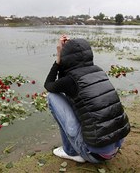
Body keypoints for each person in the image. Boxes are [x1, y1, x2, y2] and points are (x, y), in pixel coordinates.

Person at [44, 35, 130, 163]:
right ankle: (91, 148)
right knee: (84, 104)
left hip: (94, 155)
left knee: (52, 97)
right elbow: (65, 82)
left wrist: (58, 59)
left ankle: (71, 152)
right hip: (115, 147)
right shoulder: (98, 71)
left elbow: (49, 85)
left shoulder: (70, 80)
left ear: (65, 58)